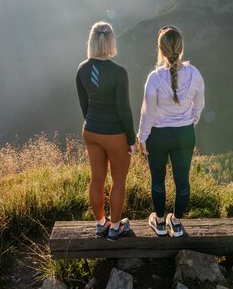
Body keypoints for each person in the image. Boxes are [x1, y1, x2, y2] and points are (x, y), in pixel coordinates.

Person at [137, 26, 205, 237]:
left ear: (160, 49)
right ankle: (175, 222)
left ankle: (158, 222)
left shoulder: (154, 78)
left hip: (158, 135)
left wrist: (142, 137)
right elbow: (199, 105)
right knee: (182, 180)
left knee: (157, 179)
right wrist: (190, 121)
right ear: (181, 48)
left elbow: (148, 112)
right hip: (184, 134)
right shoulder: (195, 74)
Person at [76, 21, 137, 240]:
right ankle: (115, 228)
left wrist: (93, 125)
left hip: (91, 130)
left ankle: (101, 224)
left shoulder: (82, 69)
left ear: (91, 41)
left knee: (97, 179)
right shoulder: (119, 73)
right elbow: (124, 110)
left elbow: (84, 105)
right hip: (115, 134)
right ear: (111, 42)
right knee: (118, 180)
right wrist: (131, 139)